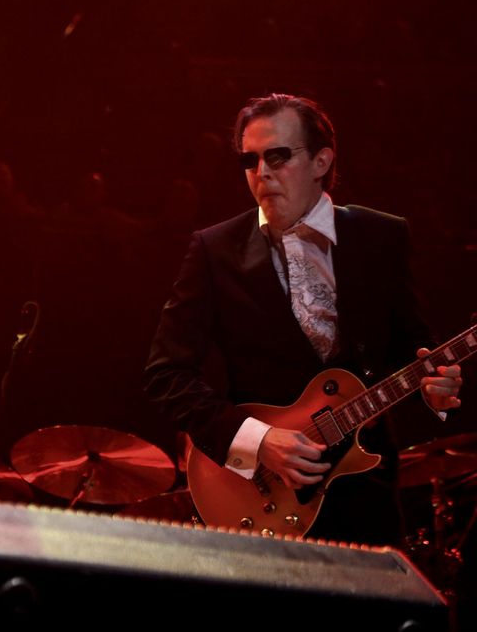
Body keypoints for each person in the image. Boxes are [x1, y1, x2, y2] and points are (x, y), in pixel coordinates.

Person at [144, 94, 463, 546]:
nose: (262, 172)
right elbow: (166, 374)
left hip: (365, 493)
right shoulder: (215, 250)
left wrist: (435, 391)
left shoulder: (382, 236)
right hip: (258, 491)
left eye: (278, 156)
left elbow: (413, 350)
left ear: (321, 161)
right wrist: (257, 441)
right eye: (250, 160)